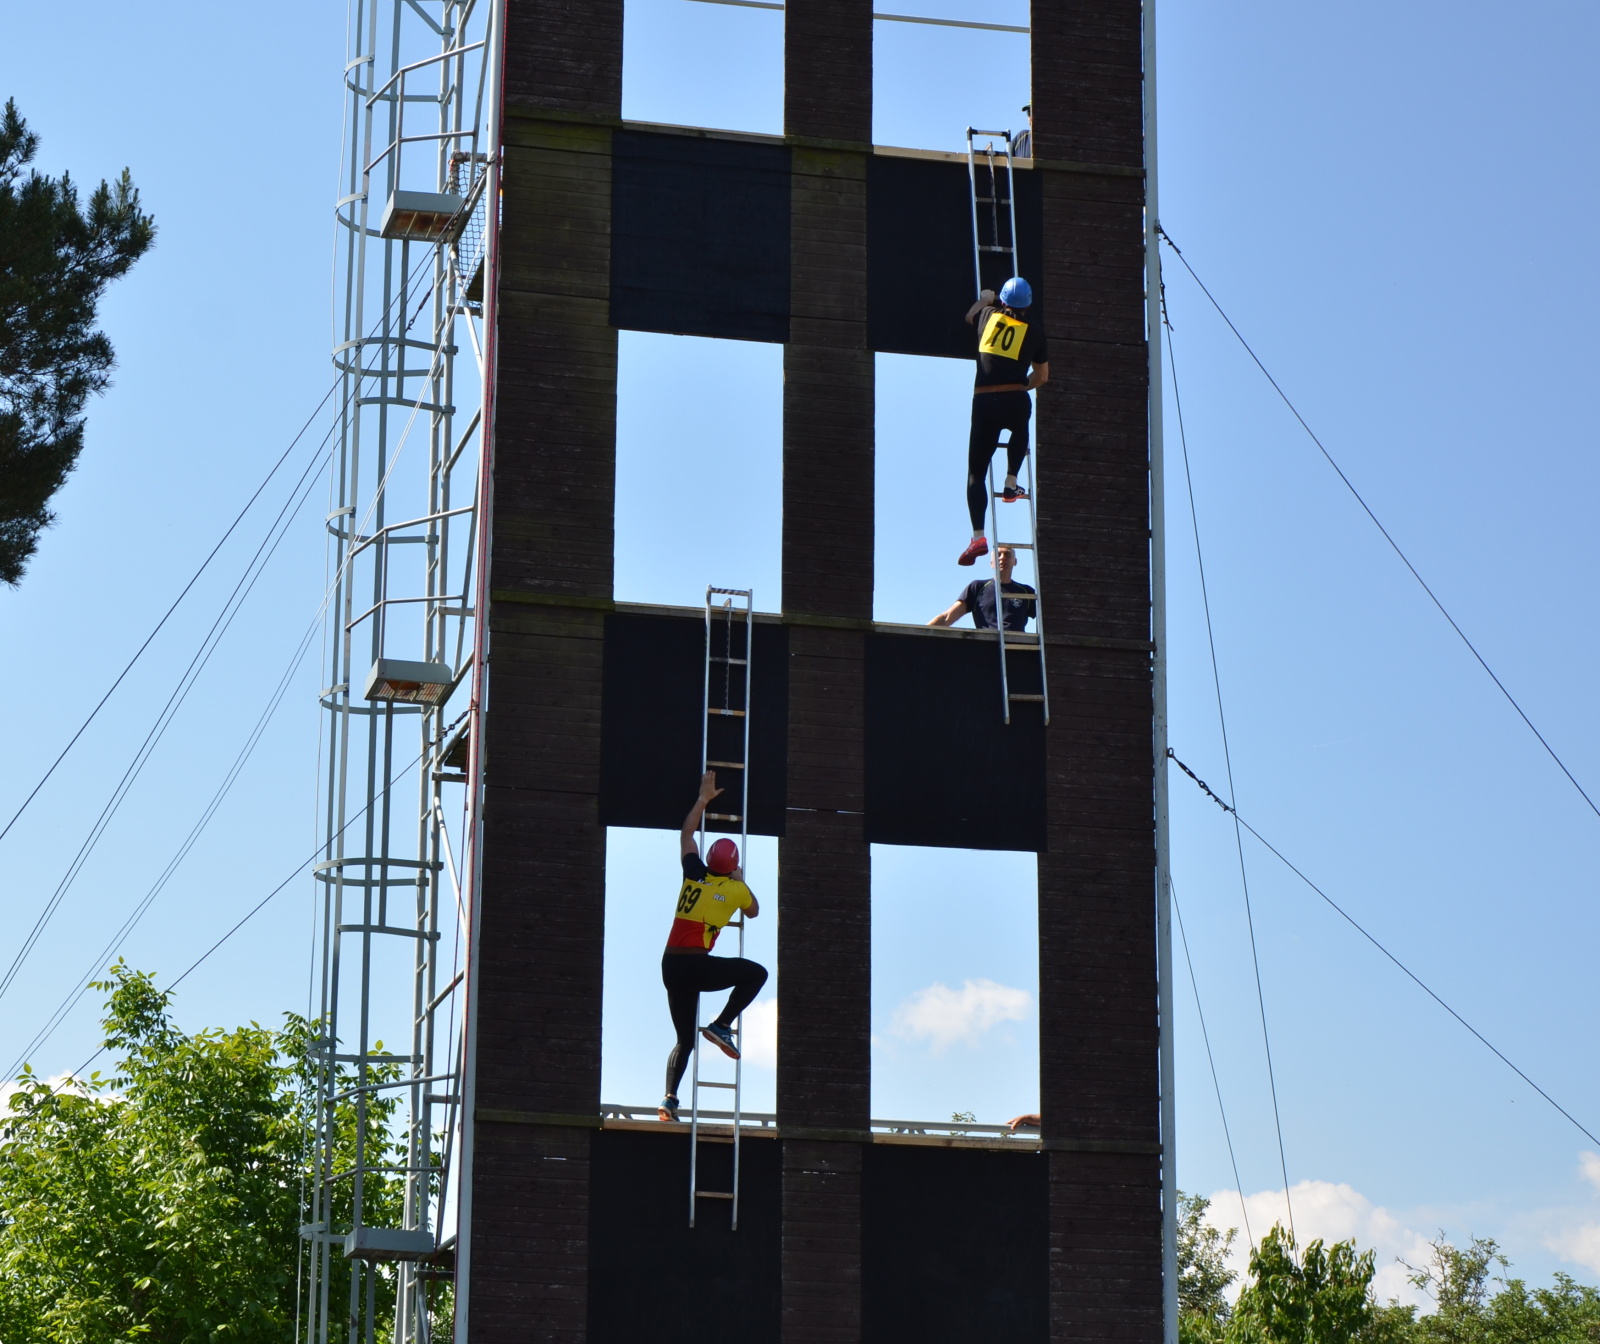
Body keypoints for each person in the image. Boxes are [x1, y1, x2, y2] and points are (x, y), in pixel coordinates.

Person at [658, 771, 768, 1123]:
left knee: (683, 1040)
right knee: (757, 974)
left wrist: (703, 800)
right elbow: (754, 912)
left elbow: (686, 834)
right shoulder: (735, 889)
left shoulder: (693, 872)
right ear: (733, 867)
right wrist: (740, 881)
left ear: (708, 859)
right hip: (697, 966)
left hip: (671, 966)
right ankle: (721, 1025)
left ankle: (669, 1100)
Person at [958, 276, 1049, 566]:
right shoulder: (1035, 333)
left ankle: (978, 537)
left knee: (976, 473)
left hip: (984, 399)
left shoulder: (987, 315)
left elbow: (969, 316)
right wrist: (1022, 384)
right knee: (1020, 426)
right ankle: (1011, 481)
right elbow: (1042, 376)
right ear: (1030, 304)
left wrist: (986, 299)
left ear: (1004, 302)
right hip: (1015, 397)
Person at [928, 544, 1036, 631]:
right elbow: (947, 618)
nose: (1002, 558)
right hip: (987, 648)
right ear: (991, 563)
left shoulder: (1026, 592)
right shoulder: (978, 587)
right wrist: (919, 634)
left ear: (1015, 561)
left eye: (1007, 555)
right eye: (998, 555)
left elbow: (1048, 619)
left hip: (1019, 649)